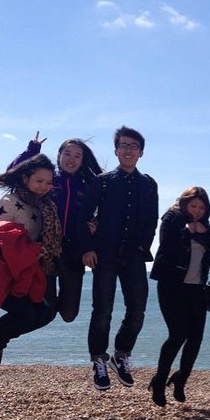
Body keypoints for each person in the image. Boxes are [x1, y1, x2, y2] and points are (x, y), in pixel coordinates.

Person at [78, 126, 158, 391]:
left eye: (133, 146)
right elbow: (84, 215)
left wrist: (143, 247)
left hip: (134, 257)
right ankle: (99, 360)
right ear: (116, 150)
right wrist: (87, 248)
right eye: (123, 145)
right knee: (103, 311)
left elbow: (151, 221)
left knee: (137, 311)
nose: (127, 150)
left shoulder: (148, 184)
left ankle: (121, 354)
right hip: (105, 255)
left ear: (141, 152)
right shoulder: (101, 181)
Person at [0, 154, 62, 366]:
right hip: (1, 274)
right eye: (39, 181)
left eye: (49, 182)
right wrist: (33, 250)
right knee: (29, 314)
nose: (44, 187)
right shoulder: (9, 203)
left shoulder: (45, 207)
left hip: (25, 274)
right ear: (25, 179)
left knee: (43, 314)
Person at [8, 133, 103, 322]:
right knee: (47, 313)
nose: (71, 159)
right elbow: (15, 172)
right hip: (46, 250)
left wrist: (96, 225)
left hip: (74, 251)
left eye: (77, 156)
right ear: (59, 156)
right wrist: (32, 150)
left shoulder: (88, 185)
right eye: (67, 154)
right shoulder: (49, 180)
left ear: (83, 160)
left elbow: (108, 208)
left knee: (69, 314)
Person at [148, 187, 210, 406]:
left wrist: (201, 230)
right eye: (193, 206)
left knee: (196, 337)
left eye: (202, 207)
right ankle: (159, 381)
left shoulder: (205, 226)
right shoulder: (172, 217)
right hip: (171, 285)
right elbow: (168, 245)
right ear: (184, 203)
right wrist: (189, 231)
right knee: (177, 334)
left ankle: (181, 379)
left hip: (196, 288)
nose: (196, 211)